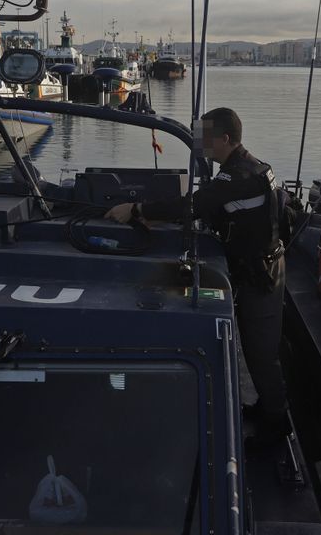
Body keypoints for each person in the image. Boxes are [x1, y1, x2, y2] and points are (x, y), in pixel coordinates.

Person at [106, 107, 292, 446]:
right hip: (257, 267)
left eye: (205, 138)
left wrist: (135, 209)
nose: (200, 145)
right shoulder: (246, 167)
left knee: (261, 352)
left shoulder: (238, 177)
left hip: (262, 275)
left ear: (225, 139)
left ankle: (277, 427)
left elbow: (192, 204)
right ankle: (266, 408)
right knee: (256, 348)